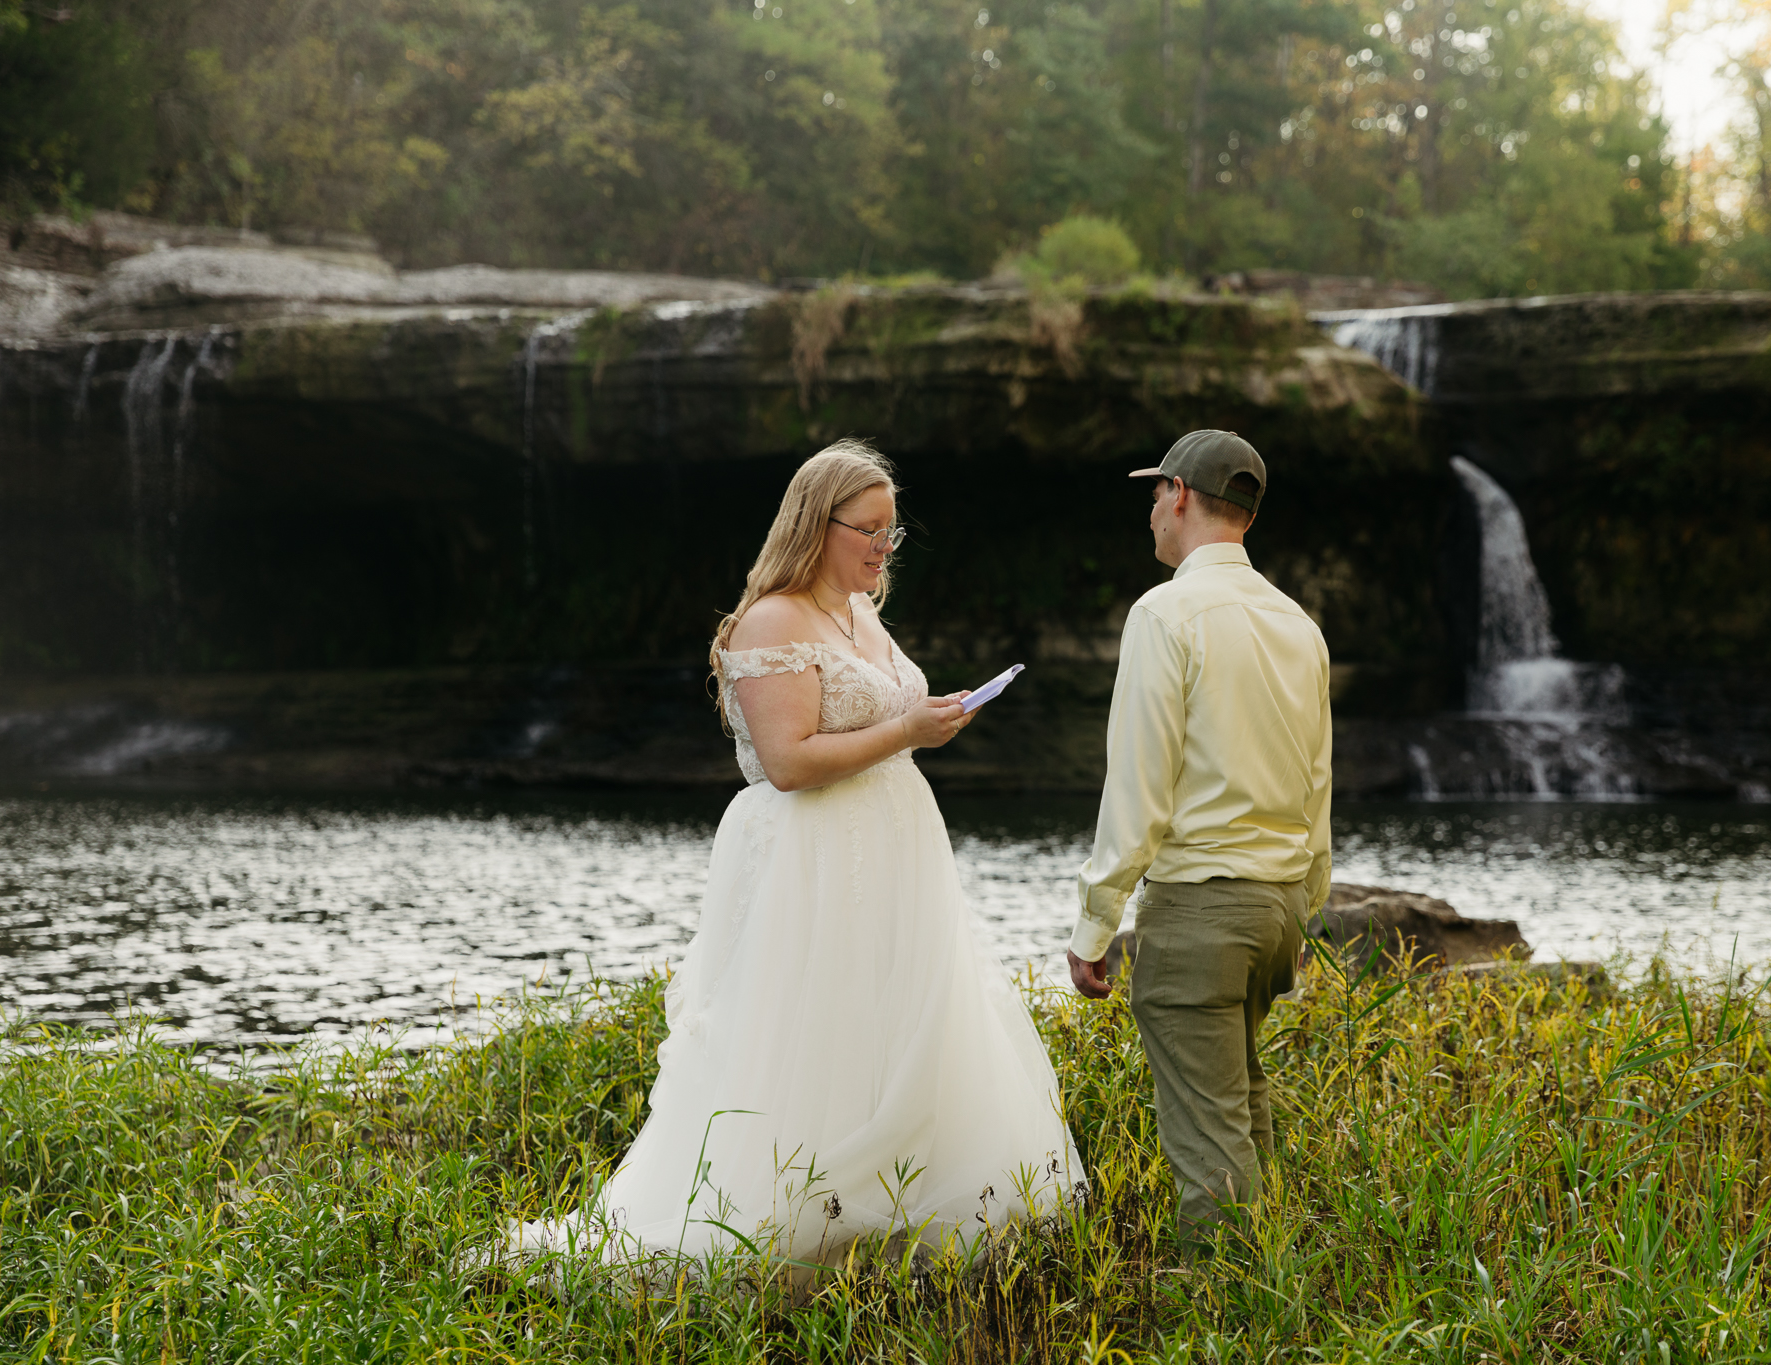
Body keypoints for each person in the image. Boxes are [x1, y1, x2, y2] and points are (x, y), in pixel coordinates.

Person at [505, 439, 1083, 1270]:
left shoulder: (861, 612)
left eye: (893, 532)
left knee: (900, 1020)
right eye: (870, 530)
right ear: (819, 523)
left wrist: (933, 719)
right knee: (817, 1026)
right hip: (813, 858)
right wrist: (906, 730)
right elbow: (788, 761)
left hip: (896, 850)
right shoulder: (772, 618)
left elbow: (879, 722)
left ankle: (901, 1202)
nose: (884, 547)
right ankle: (797, 1217)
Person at [1064, 429, 1332, 1253]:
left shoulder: (1165, 612)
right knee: (1245, 1117)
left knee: (1209, 1154)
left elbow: (1139, 785)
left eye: (1154, 494)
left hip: (1200, 913)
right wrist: (1301, 904)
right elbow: (1317, 783)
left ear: (1180, 494)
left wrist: (1094, 924)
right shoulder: (1297, 623)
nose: (1150, 510)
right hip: (1278, 908)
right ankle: (1282, 1306)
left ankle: (1220, 1318)